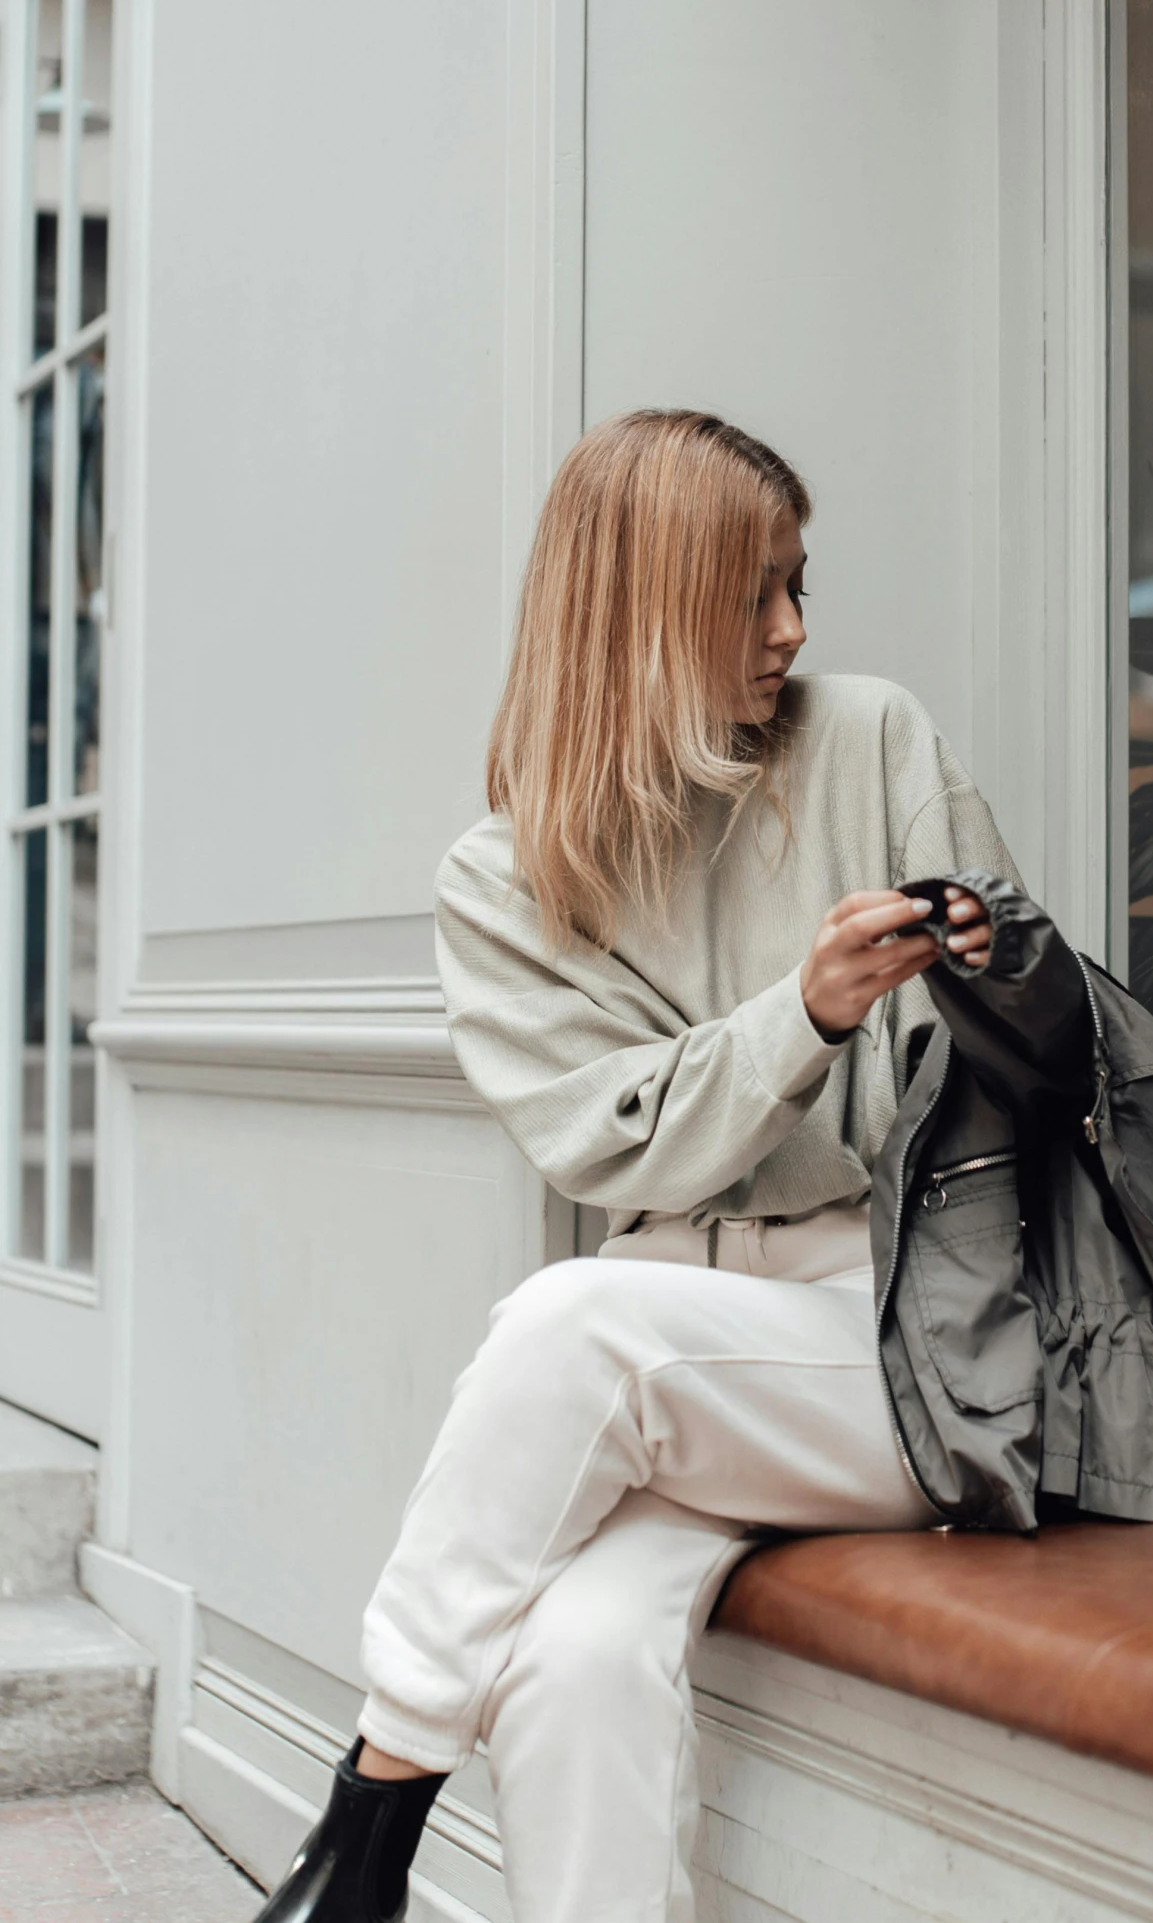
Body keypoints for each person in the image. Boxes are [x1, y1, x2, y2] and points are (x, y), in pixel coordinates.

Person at [257, 408, 1019, 1923]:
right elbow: (617, 1134)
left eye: (801, 584)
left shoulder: (873, 737)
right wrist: (801, 1016)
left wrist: (1003, 970)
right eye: (753, 594)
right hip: (679, 1353)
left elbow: (1012, 1082)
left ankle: (365, 1834)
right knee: (572, 1658)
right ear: (642, 606)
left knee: (566, 1320)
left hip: (898, 1339)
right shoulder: (505, 881)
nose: (792, 630)